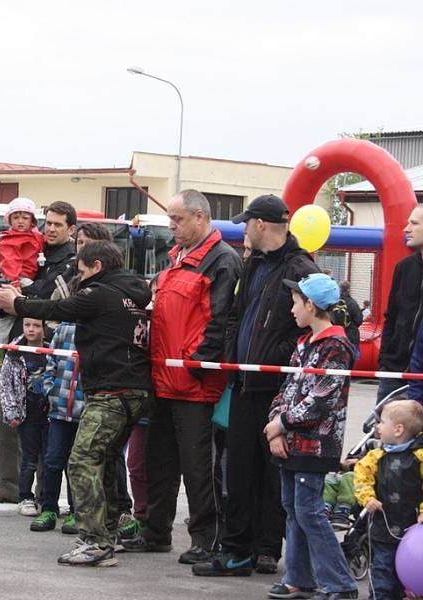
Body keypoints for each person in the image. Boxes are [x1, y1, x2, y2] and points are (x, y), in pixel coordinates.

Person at [0, 241, 152, 567]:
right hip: (135, 391)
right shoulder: (132, 292)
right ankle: (107, 535)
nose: (78, 279)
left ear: (96, 266)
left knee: (80, 461)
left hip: (111, 392)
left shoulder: (100, 293)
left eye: (81, 272)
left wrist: (18, 303)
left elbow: (59, 310)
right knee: (105, 460)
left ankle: (94, 540)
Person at [193, 194, 319, 577]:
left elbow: (314, 324)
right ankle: (237, 550)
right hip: (244, 384)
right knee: (239, 471)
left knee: (271, 472)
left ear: (262, 225)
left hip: (278, 389)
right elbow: (236, 314)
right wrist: (232, 353)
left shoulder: (301, 268)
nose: (244, 228)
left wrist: (277, 357)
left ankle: (267, 548)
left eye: (248, 222)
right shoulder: (252, 265)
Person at [123, 190, 242, 565]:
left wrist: (196, 363)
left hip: (195, 384)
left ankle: (205, 538)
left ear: (200, 218)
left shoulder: (222, 261)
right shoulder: (176, 257)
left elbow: (222, 321)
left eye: (177, 219)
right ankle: (156, 532)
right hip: (163, 377)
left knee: (197, 467)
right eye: (171, 219)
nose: (171, 226)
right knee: (159, 462)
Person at [263, 273, 358, 600]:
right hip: (291, 440)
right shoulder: (304, 344)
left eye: (295, 302)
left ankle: (340, 584)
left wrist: (283, 423)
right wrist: (276, 422)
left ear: (311, 305)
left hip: (315, 445)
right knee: (293, 508)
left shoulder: (336, 346)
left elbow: (321, 399)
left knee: (310, 511)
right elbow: (287, 389)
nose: (291, 309)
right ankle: (299, 578)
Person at [0, 201, 77, 504]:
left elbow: (52, 296)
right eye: (47, 222)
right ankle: (8, 483)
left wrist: (20, 297)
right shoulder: (23, 248)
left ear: (71, 229)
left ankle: (41, 493)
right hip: (14, 350)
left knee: (45, 426)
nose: (50, 228)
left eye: (57, 224)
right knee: (9, 416)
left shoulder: (71, 261)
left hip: (49, 353)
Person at [31, 222, 112, 534]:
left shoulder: (98, 327)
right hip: (60, 407)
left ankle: (78, 512)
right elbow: (52, 358)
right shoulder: (65, 326)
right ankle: (48, 508)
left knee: (80, 464)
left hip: (86, 407)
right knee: (52, 461)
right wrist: (50, 389)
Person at [354, 399, 423, 600]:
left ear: (399, 429)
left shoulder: (419, 456)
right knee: (382, 573)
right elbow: (361, 477)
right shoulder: (375, 456)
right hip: (383, 530)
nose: (377, 427)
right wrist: (367, 497)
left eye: (382, 422)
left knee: (405, 581)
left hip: (412, 534)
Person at [0, 317, 49, 517]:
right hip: (26, 416)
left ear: (44, 329)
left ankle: (45, 497)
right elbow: (5, 385)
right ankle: (25, 497)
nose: (31, 329)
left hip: (49, 416)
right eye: (27, 325)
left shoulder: (52, 352)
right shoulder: (14, 353)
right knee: (29, 459)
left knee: (48, 460)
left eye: (36, 325)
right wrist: (11, 412)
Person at [0, 197, 44, 363]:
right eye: (16, 217)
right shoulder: (9, 240)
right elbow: (12, 263)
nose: (20, 221)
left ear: (32, 221)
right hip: (20, 279)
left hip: (28, 277)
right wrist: (16, 284)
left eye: (25, 218)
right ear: (9, 219)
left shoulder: (35, 236)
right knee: (9, 316)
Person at [376, 204, 423, 404]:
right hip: (394, 371)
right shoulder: (404, 267)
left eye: (414, 223)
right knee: (383, 432)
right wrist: (385, 360)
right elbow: (391, 316)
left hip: (420, 376)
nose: (406, 228)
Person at [335, 281, 363, 363]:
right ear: (349, 289)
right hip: (351, 336)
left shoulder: (334, 302)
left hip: (337, 335)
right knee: (351, 361)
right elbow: (359, 320)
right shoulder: (352, 303)